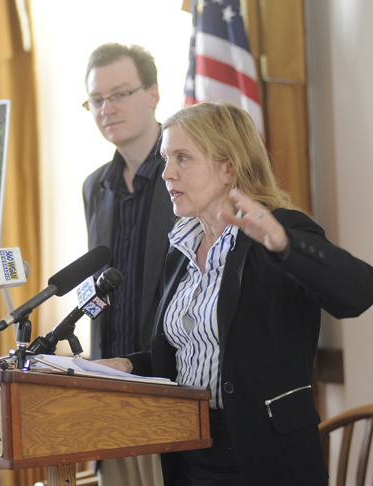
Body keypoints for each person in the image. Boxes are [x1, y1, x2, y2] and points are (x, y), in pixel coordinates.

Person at [98, 101, 373, 485]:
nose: (166, 173)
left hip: (263, 454)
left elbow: (357, 293)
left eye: (182, 158)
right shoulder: (180, 250)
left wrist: (284, 244)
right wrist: (131, 365)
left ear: (229, 167)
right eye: (165, 159)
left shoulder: (279, 231)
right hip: (189, 451)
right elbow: (191, 352)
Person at [82, 43, 174, 485]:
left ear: (154, 93)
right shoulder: (94, 186)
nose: (106, 109)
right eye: (96, 100)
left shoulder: (185, 173)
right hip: (109, 386)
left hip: (169, 383)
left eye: (119, 94)